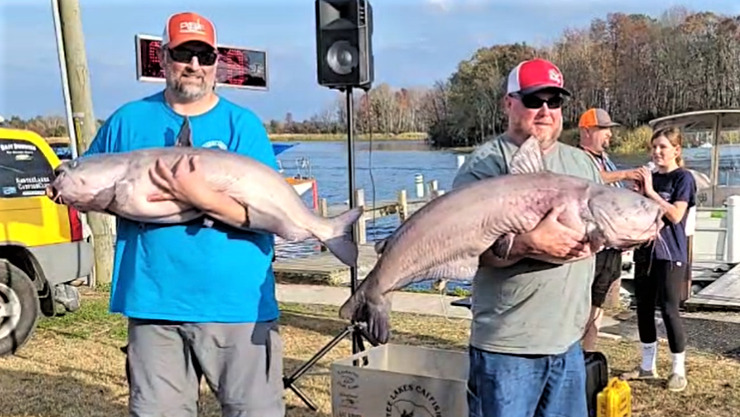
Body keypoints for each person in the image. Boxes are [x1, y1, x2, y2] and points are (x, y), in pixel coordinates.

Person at [84, 12, 285, 416]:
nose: (194, 65)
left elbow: (270, 216)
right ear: (163, 56)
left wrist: (200, 198)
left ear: (216, 62)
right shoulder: (126, 122)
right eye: (183, 53)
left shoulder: (242, 126)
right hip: (154, 304)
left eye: (205, 55)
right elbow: (85, 183)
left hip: (237, 306)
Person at [453, 58, 603, 417]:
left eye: (555, 101)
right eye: (535, 100)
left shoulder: (582, 164)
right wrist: (528, 244)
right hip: (507, 350)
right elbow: (462, 251)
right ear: (509, 103)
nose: (546, 111)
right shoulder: (486, 166)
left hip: (567, 344)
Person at [621, 127, 696, 393]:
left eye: (663, 147)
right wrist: (638, 193)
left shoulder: (683, 178)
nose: (657, 152)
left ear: (676, 150)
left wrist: (652, 192)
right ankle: (646, 365)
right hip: (646, 252)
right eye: (654, 147)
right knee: (642, 308)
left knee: (668, 308)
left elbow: (676, 215)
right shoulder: (651, 178)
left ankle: (678, 369)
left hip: (670, 254)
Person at [576, 108, 641, 352]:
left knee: (597, 306)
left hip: (610, 249)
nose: (609, 136)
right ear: (586, 131)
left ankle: (588, 356)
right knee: (579, 305)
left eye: (610, 131)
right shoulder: (578, 159)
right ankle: (571, 357)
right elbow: (588, 180)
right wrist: (625, 173)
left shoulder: (606, 160)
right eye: (604, 130)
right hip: (588, 248)